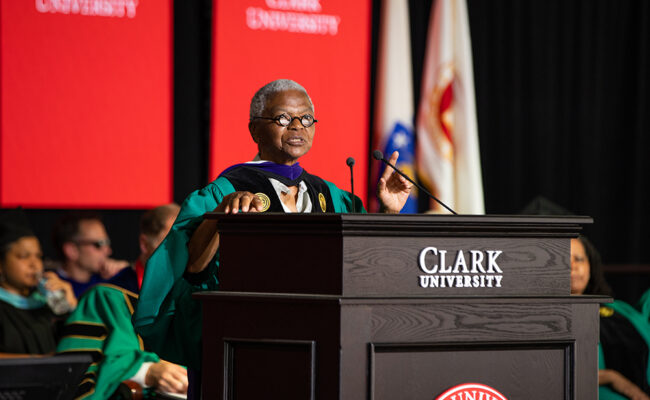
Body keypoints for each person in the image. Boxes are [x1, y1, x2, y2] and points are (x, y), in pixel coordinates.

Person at [133, 79, 412, 394]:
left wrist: (389, 213)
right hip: (246, 350)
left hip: (325, 351)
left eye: (306, 119)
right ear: (255, 130)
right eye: (283, 118)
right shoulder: (223, 192)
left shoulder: (332, 196)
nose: (297, 127)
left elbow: (366, 265)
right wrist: (221, 218)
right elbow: (190, 270)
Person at [57, 204, 186, 399]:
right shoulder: (108, 297)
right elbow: (73, 374)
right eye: (172, 239)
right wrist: (145, 371)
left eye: (189, 240)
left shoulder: (192, 300)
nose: (183, 249)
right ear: (145, 244)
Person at [572, 235, 650, 400]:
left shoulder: (619, 309)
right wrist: (611, 377)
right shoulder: (543, 316)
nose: (573, 267)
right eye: (564, 260)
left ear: (590, 266)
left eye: (579, 259)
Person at [0, 208, 77, 355]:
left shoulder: (46, 304)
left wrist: (72, 308)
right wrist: (40, 363)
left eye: (38, 256)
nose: (34, 264)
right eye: (24, 256)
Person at [52, 212, 132, 297]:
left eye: (107, 243)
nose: (109, 251)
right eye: (99, 244)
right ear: (72, 250)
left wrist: (126, 273)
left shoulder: (112, 280)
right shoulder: (53, 288)